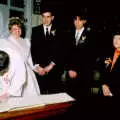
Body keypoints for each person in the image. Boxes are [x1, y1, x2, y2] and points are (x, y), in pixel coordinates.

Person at [0, 17, 40, 101]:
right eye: (14, 29)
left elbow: (29, 58)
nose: (17, 31)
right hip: (14, 72)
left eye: (19, 28)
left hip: (28, 73)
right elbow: (4, 60)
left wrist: (34, 68)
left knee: (31, 99)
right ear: (10, 30)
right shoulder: (6, 42)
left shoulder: (26, 41)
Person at [31, 8, 64, 94]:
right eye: (43, 17)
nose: (45, 20)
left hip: (54, 69)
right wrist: (37, 66)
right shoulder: (35, 30)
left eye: (48, 17)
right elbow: (33, 50)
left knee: (53, 96)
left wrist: (51, 66)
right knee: (40, 95)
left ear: (52, 17)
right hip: (40, 70)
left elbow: (60, 50)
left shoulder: (60, 31)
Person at [64, 13, 96, 99]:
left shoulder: (91, 35)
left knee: (82, 101)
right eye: (75, 20)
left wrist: (77, 70)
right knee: (68, 100)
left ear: (84, 21)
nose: (77, 22)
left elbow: (90, 57)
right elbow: (65, 54)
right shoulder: (68, 34)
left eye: (80, 20)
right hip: (70, 74)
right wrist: (69, 69)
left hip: (84, 74)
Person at [102, 28, 120, 96]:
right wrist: (104, 84)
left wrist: (110, 91)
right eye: (115, 38)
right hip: (104, 90)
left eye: (119, 38)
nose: (116, 41)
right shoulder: (108, 53)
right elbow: (101, 70)